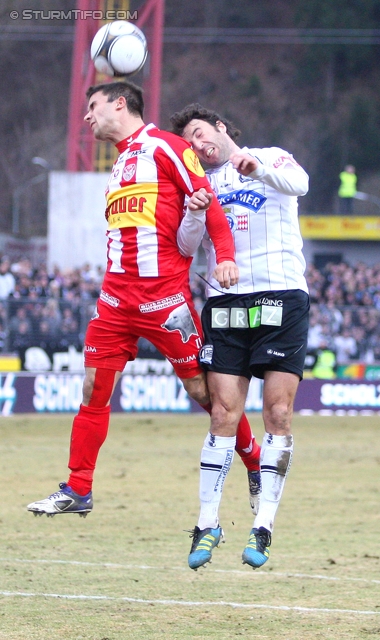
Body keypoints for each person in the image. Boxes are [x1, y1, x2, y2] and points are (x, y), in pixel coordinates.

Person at [27, 81, 261, 518]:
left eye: (92, 106)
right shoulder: (118, 165)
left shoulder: (164, 146)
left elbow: (207, 204)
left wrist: (225, 257)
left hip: (165, 300)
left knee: (206, 395)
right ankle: (79, 488)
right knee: (94, 386)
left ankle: (255, 463)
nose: (86, 116)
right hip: (114, 299)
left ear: (120, 103)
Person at [170, 104, 310, 569]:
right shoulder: (202, 185)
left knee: (278, 411)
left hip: (281, 297)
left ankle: (263, 526)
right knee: (223, 413)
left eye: (200, 132)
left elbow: (301, 185)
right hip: (226, 303)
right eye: (189, 141)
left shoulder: (270, 155)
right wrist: (193, 213)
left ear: (220, 128)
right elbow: (187, 247)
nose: (198, 144)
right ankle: (207, 524)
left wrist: (261, 168)